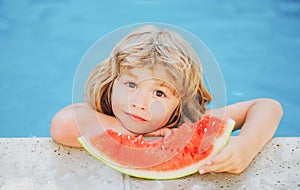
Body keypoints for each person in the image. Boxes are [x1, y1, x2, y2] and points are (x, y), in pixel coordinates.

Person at [50, 25, 283, 175]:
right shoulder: (103, 115)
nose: (139, 103)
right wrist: (130, 132)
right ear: (112, 84)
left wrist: (245, 146)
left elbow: (267, 107)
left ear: (180, 104)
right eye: (131, 84)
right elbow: (63, 124)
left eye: (159, 93)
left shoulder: (186, 125)